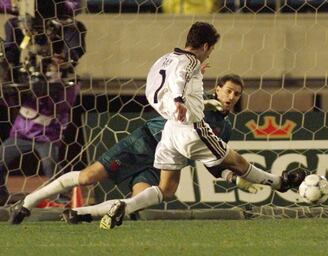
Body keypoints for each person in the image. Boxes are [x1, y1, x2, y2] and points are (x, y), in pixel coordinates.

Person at [99, 21, 306, 230]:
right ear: (206, 46)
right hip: (192, 129)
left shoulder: (166, 59)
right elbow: (179, 79)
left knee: (166, 188)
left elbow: (161, 84)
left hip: (170, 131)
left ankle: (124, 206)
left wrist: (176, 101)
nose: (209, 54)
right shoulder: (190, 62)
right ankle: (281, 183)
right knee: (237, 161)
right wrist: (179, 99)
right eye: (211, 49)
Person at [9, 73, 260, 224]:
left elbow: (212, 162)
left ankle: (79, 213)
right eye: (228, 91)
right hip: (143, 143)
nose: (231, 97)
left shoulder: (223, 130)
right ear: (218, 89)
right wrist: (205, 101)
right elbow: (177, 96)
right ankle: (28, 202)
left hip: (160, 163)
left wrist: (234, 178)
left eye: (236, 94)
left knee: (136, 201)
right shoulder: (196, 97)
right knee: (87, 177)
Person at [0, 0, 86, 206]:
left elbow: (76, 5)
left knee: (52, 167)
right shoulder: (26, 84)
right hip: (22, 131)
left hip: (47, 134)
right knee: (1, 160)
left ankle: (64, 200)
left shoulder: (65, 87)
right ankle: (1, 196)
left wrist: (63, 63)